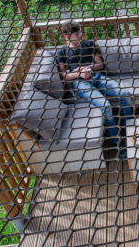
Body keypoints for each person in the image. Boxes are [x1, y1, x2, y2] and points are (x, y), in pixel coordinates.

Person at [55, 20, 132, 158]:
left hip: (97, 76)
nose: (80, 35)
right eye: (76, 34)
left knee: (124, 93)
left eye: (80, 32)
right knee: (105, 106)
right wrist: (79, 73)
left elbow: (100, 65)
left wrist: (88, 68)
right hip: (79, 83)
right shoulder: (62, 51)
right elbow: (64, 75)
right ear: (67, 36)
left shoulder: (90, 44)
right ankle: (119, 145)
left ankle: (129, 129)